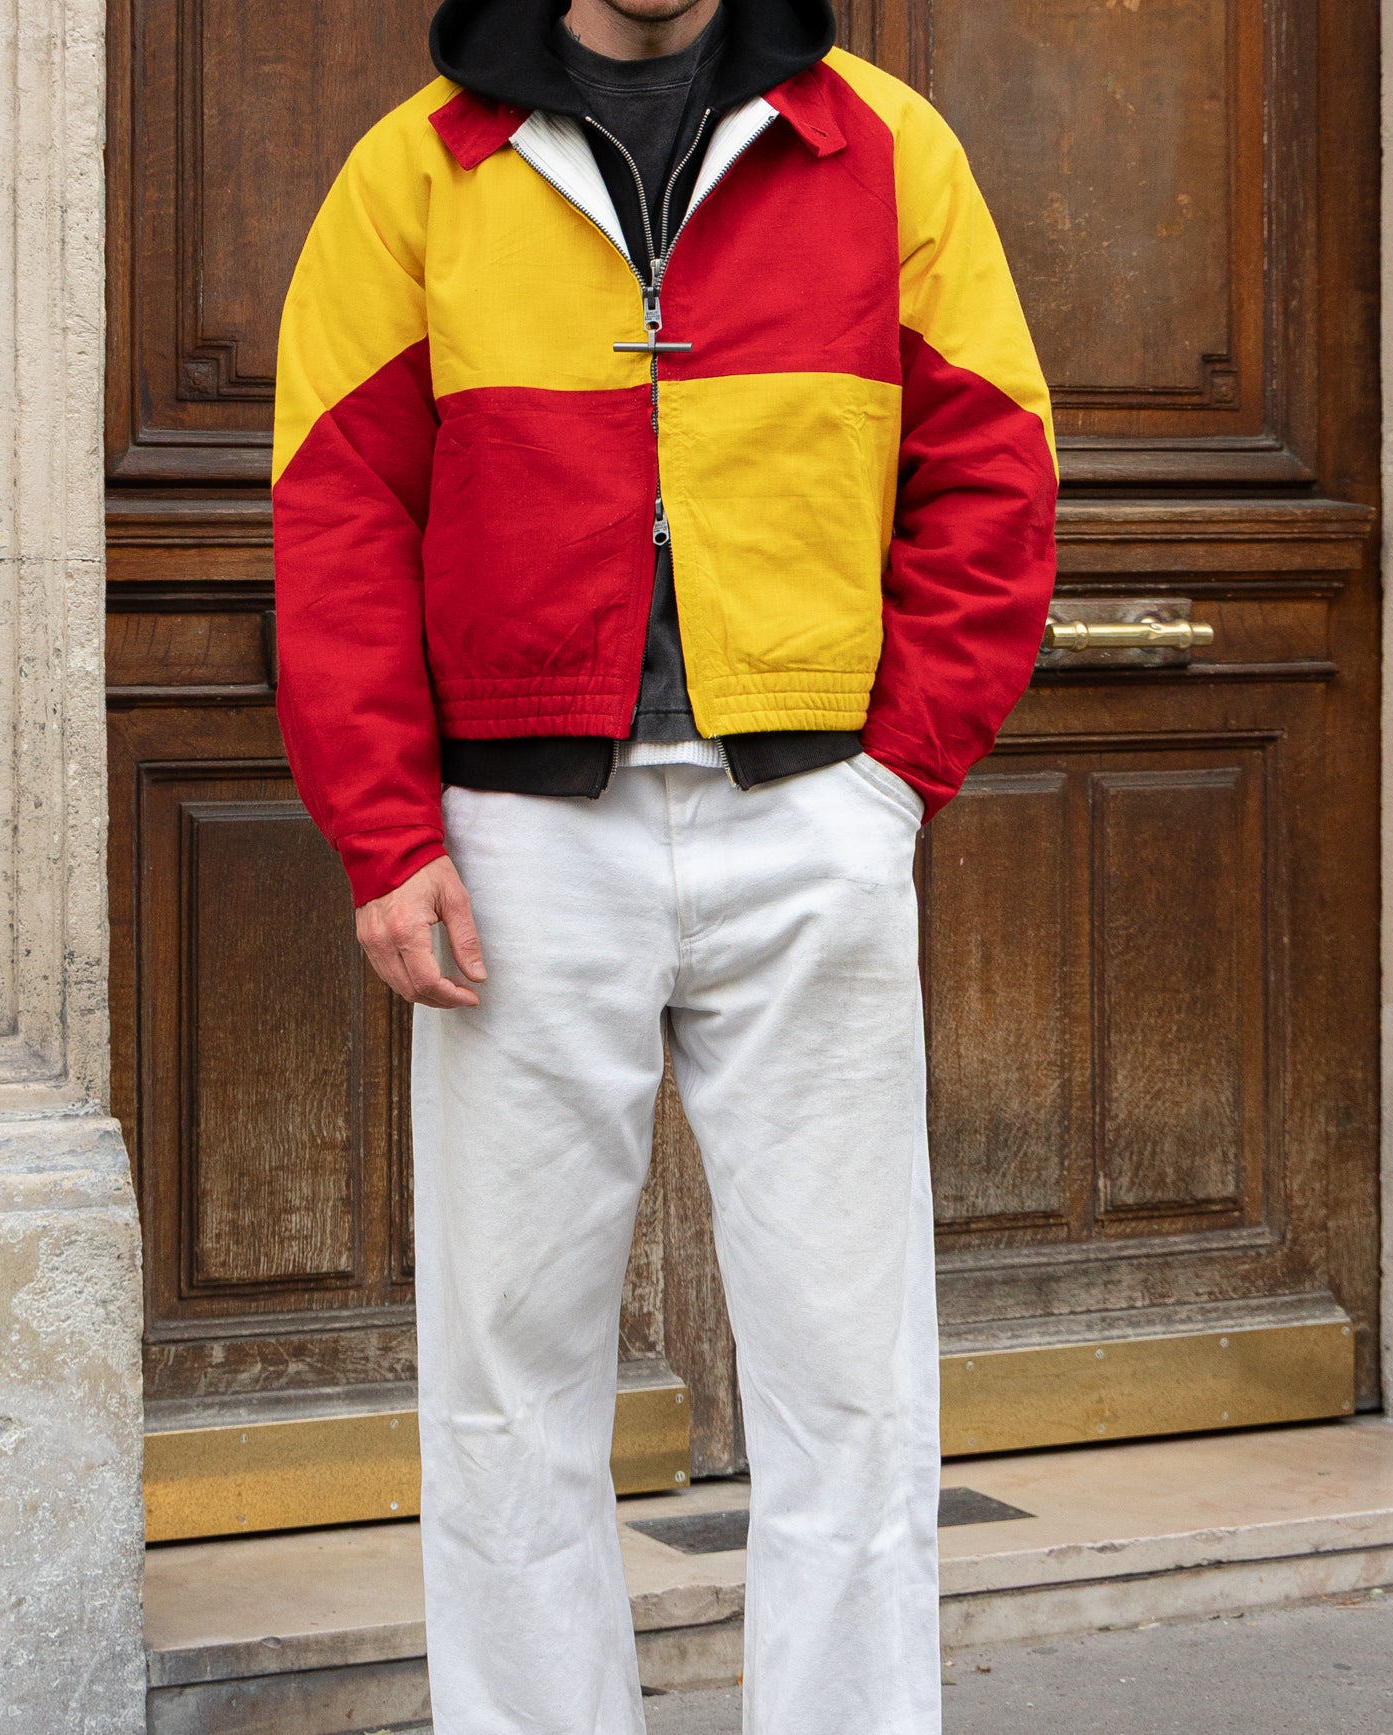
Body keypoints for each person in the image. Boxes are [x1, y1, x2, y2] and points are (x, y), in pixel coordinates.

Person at [271, 0, 1056, 1725]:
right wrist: (389, 831)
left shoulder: (886, 147)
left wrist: (893, 778)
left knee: (852, 1376)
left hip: (812, 813)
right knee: (507, 1378)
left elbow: (996, 468)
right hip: (520, 843)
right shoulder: (418, 168)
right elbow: (337, 513)